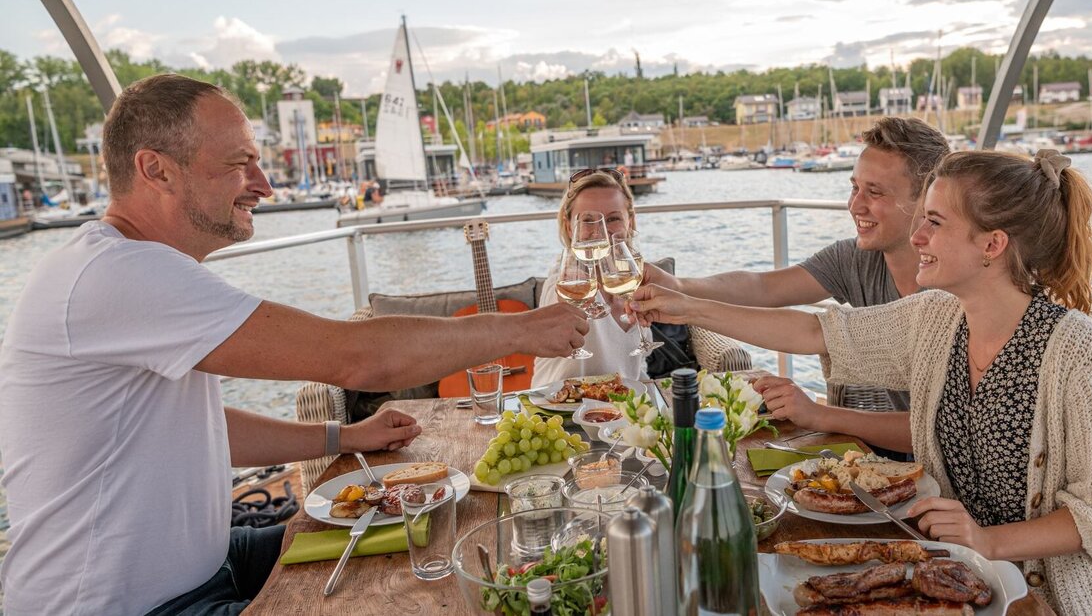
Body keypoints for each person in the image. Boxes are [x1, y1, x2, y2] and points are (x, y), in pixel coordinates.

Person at [0, 74, 588, 616]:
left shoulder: (132, 270)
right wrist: (521, 329)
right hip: (125, 604)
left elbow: (197, 426)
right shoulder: (119, 276)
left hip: (206, 562)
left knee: (436, 530)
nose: (263, 184)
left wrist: (344, 437)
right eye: (240, 164)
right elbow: (356, 358)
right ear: (156, 170)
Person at [630, 149, 1092, 613]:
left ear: (992, 244)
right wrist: (685, 305)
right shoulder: (939, 318)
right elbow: (819, 330)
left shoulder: (1088, 361)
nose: (917, 237)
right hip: (956, 577)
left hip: (1048, 599)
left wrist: (988, 541)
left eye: (935, 224)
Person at [644, 117, 949, 415]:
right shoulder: (857, 258)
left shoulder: (956, 288)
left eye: (875, 191)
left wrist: (819, 414)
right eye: (855, 187)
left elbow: (815, 333)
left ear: (928, 199)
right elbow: (763, 287)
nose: (855, 205)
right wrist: (677, 286)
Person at [532, 168, 646, 387]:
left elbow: (636, 365)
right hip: (559, 411)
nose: (601, 231)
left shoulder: (634, 276)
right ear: (569, 226)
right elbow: (557, 300)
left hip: (622, 409)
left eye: (613, 218)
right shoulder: (565, 282)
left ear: (630, 221)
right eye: (588, 220)